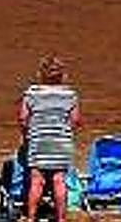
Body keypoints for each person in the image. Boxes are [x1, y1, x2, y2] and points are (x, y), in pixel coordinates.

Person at [19, 56, 81, 222]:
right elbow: (75, 120)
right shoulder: (70, 95)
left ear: (40, 74)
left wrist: (27, 135)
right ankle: (61, 218)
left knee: (37, 180)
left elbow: (23, 119)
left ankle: (31, 217)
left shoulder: (32, 93)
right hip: (61, 141)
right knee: (59, 180)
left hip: (39, 140)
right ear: (63, 75)